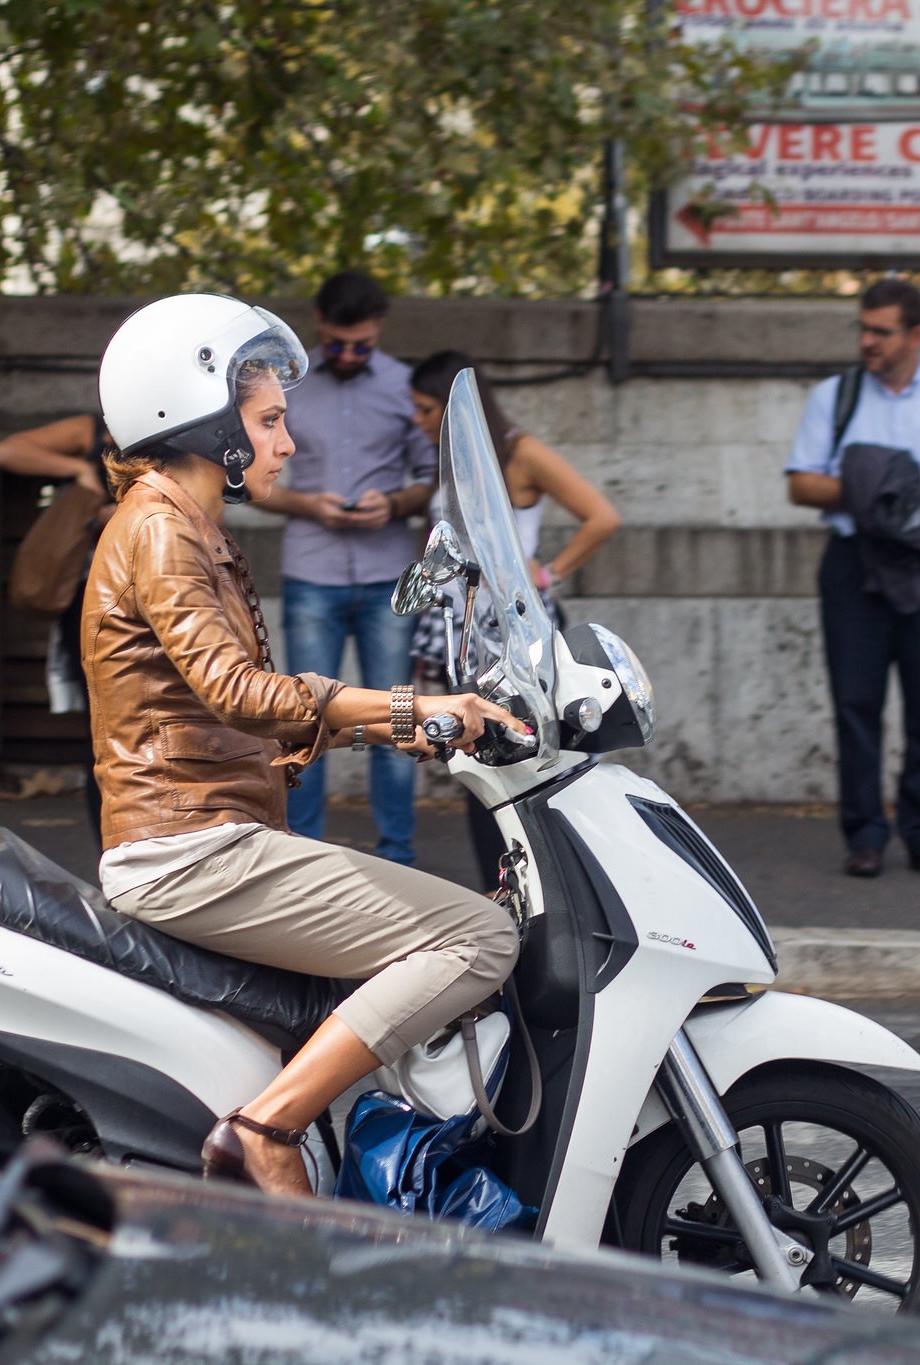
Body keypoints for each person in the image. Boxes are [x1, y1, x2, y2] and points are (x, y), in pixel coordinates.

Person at [85, 293, 521, 1196]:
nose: (290, 442)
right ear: (204, 421)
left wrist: (409, 730)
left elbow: (235, 724)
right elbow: (239, 696)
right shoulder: (162, 529)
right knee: (477, 938)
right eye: (271, 420)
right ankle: (265, 1125)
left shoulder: (189, 525)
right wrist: (402, 709)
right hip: (189, 849)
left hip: (210, 831)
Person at [784, 278, 920, 881]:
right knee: (857, 705)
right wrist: (873, 489)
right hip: (856, 564)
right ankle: (865, 836)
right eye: (863, 328)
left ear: (916, 335)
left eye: (880, 331)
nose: (867, 341)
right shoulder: (838, 396)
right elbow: (801, 483)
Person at [408, 350, 621, 890]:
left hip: (515, 631)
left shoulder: (521, 452)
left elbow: (602, 517)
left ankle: (547, 886)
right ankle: (503, 891)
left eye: (427, 408)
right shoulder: (459, 459)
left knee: (523, 754)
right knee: (476, 758)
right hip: (464, 629)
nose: (419, 419)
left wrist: (548, 573)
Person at [255, 270, 435, 865]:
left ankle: (398, 857)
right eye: (338, 344)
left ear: (379, 329)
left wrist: (397, 503)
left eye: (362, 344)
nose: (350, 355)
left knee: (399, 719)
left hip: (390, 579)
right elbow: (254, 481)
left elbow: (434, 478)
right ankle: (302, 855)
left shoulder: (406, 386)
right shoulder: (285, 386)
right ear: (317, 326)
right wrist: (308, 504)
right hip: (313, 572)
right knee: (304, 720)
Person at [0, 414, 115, 842]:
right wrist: (79, 471)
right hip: (91, 599)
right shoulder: (91, 432)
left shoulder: (176, 435)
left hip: (152, 589)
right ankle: (110, 846)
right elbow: (7, 451)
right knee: (102, 728)